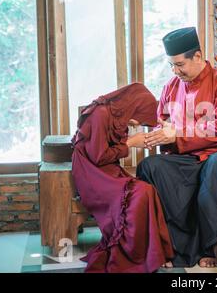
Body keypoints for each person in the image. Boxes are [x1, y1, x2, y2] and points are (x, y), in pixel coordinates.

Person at [136, 27, 217, 268]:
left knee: (216, 166)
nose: (175, 71)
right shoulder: (170, 87)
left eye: (179, 64)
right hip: (185, 158)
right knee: (150, 167)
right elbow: (162, 125)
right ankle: (174, 247)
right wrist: (155, 135)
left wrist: (178, 133)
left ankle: (208, 246)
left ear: (197, 56)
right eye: (171, 65)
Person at [71, 83, 174, 273]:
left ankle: (153, 254)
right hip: (91, 172)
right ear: (132, 106)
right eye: (139, 118)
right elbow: (98, 156)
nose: (135, 124)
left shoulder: (118, 115)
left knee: (147, 190)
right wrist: (131, 143)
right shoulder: (101, 114)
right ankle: (132, 257)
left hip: (107, 169)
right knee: (139, 193)